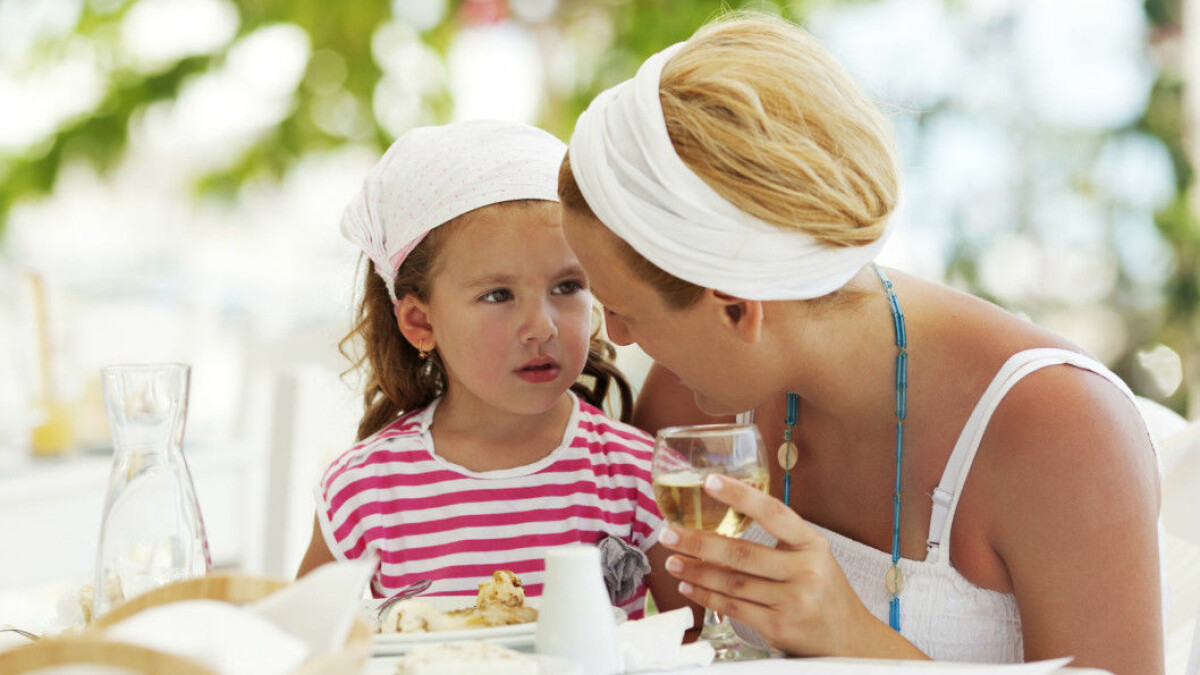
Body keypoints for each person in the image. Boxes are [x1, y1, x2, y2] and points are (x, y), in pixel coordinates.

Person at [558, 12, 1164, 673]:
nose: (613, 336)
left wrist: (854, 638)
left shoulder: (1061, 430)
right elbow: (680, 648)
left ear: (735, 308)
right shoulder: (697, 412)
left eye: (624, 312)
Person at [295, 120, 690, 621]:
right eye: (498, 295)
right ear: (420, 322)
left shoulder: (639, 475)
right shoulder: (364, 491)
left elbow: (696, 643)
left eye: (567, 286)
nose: (541, 326)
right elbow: (303, 647)